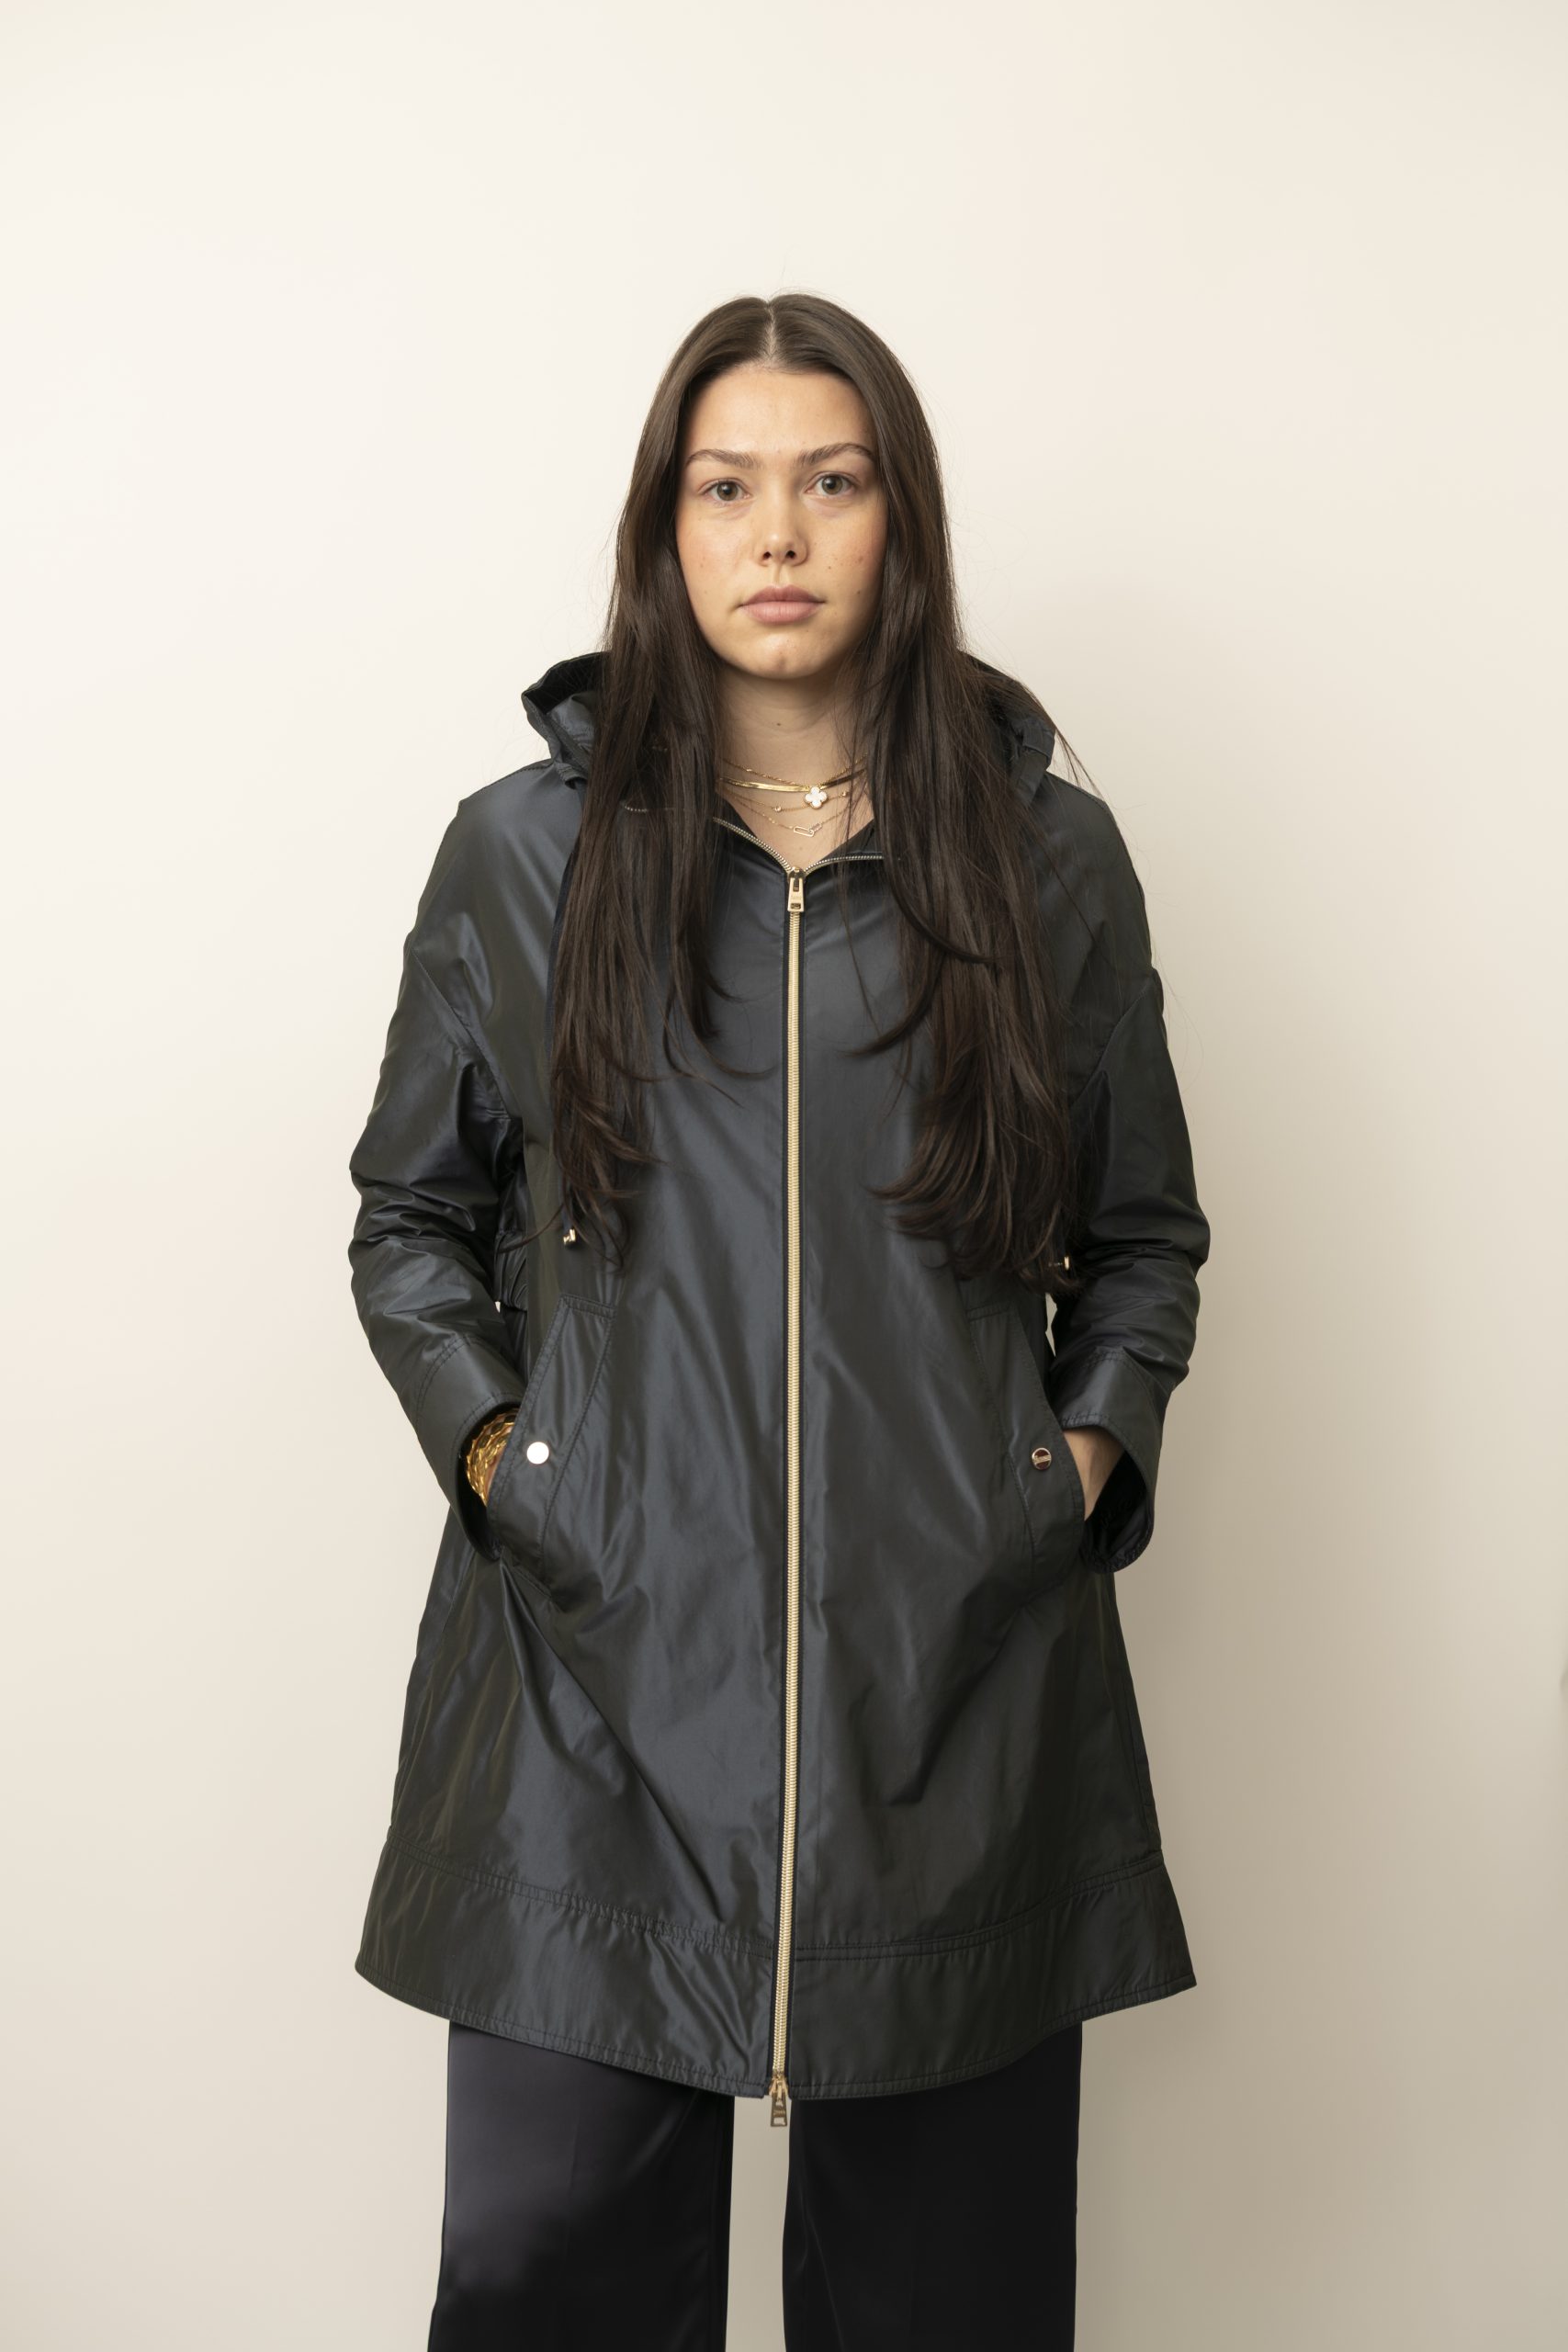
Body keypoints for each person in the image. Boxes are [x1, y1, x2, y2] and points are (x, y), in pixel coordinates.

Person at [346, 291, 1211, 2349]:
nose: (779, 534)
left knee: (942, 2309)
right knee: (547, 2281)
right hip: (584, 1686)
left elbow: (1141, 1238)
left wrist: (1055, 1471)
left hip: (952, 1694)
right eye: (724, 487)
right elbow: (412, 1217)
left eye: (831, 481)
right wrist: (515, 1459)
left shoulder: (1045, 862)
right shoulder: (525, 854)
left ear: (900, 521)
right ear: (663, 529)